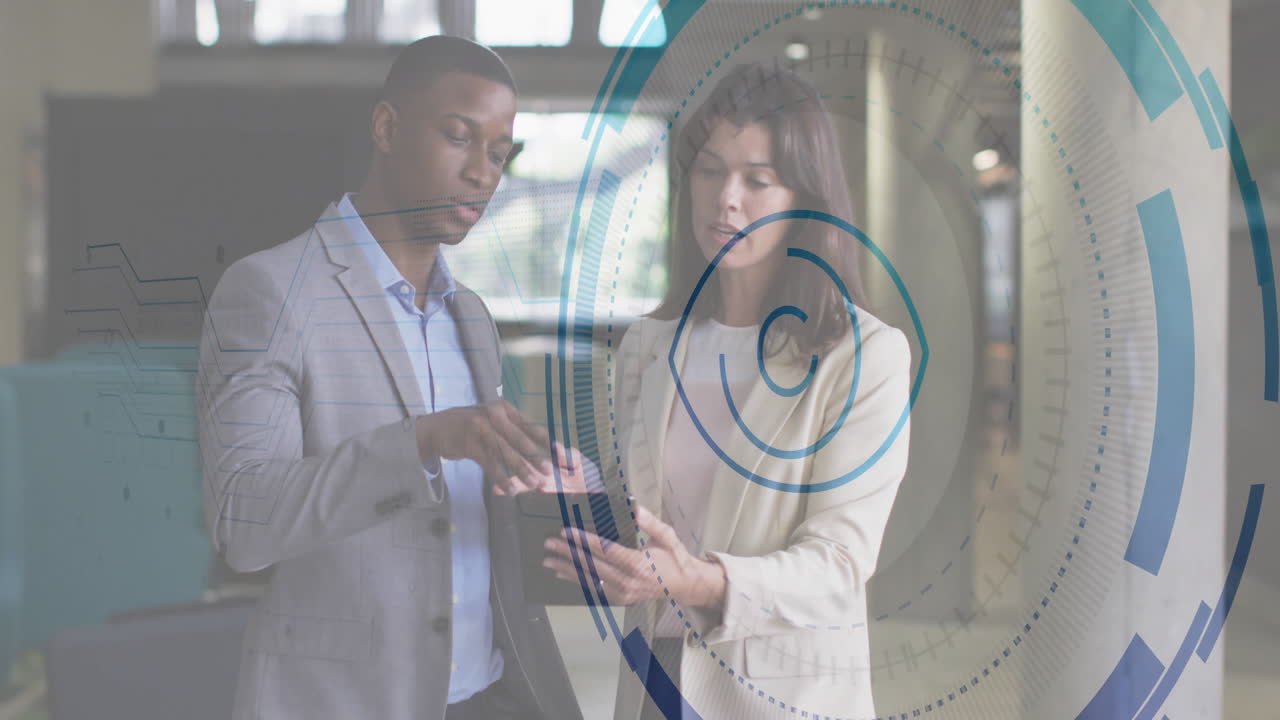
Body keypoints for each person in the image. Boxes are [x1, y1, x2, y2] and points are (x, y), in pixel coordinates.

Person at [196, 36, 583, 720]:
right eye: (459, 137)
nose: (482, 173)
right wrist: (426, 440)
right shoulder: (269, 290)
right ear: (386, 128)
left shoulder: (472, 315)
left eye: (498, 154)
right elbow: (245, 525)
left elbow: (469, 518)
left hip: (490, 694)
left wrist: (549, 485)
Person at [543, 63, 912, 719]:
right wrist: (581, 495)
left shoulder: (863, 357)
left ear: (805, 198)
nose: (726, 199)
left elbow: (838, 565)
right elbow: (653, 517)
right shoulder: (649, 345)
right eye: (710, 171)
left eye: (757, 179)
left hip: (780, 697)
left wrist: (702, 581)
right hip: (655, 681)